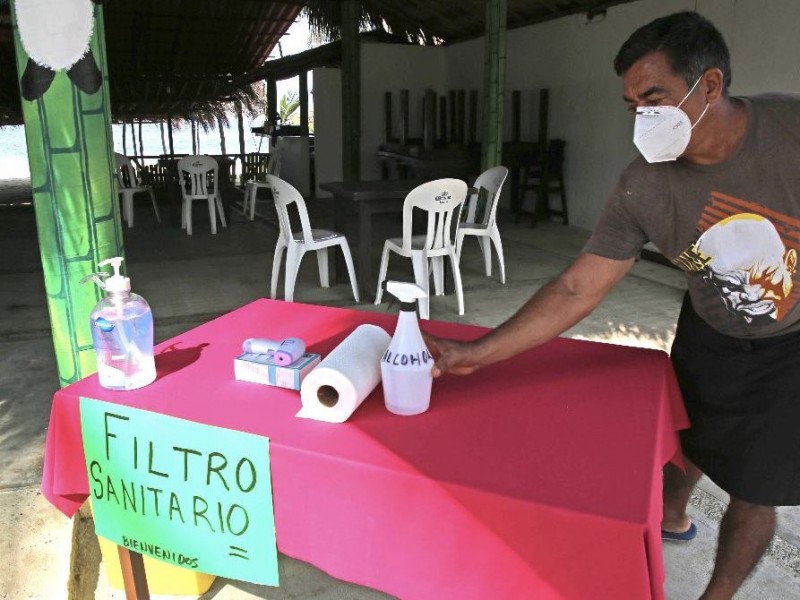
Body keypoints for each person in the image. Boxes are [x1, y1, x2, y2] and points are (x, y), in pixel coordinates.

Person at [424, 11, 800, 600]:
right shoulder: (642, 185)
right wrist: (481, 352)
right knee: (687, 437)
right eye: (632, 106)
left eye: (655, 98)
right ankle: (672, 517)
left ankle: (716, 595)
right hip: (708, 329)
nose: (643, 119)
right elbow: (579, 288)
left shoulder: (791, 129)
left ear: (710, 86)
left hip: (791, 344)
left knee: (756, 489)